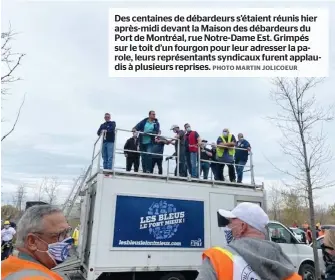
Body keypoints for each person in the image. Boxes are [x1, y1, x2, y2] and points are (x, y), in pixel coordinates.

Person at [196, 202, 301, 280]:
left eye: (231, 222)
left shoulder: (217, 259)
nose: (228, 226)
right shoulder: (285, 267)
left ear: (242, 226)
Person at [1, 205, 73, 279]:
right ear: (32, 242)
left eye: (68, 231)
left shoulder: (5, 266)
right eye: (61, 234)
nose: (69, 239)